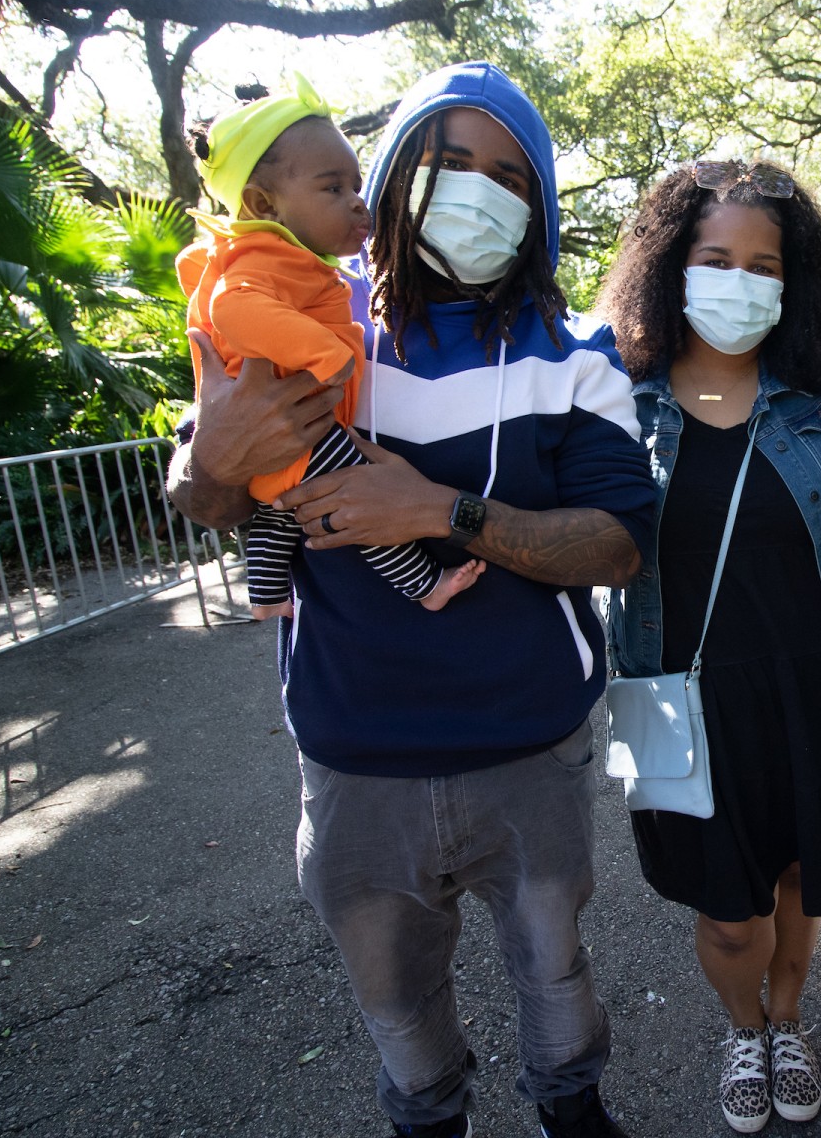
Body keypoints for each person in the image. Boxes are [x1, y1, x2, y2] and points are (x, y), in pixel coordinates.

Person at [167, 61, 656, 1138]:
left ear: (539, 210)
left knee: (555, 969)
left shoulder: (575, 358)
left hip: (531, 751)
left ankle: (574, 1109)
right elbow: (202, 489)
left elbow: (620, 545)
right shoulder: (311, 324)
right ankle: (428, 1120)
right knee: (393, 997)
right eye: (447, 163)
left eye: (508, 175)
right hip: (353, 759)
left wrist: (441, 511)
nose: (476, 192)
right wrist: (213, 460)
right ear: (388, 180)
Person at [598, 159, 821, 1134]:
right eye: (714, 257)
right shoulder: (618, 391)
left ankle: (787, 1021)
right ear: (670, 266)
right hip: (668, 693)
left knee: (794, 878)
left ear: (792, 280)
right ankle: (743, 1023)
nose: (739, 280)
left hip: (816, 678)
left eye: (762, 263)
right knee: (724, 906)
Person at [177, 76, 483, 620]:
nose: (357, 203)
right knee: (360, 494)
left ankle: (268, 596)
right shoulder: (264, 259)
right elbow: (233, 310)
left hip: (287, 426)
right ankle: (424, 583)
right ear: (261, 203)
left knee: (282, 508)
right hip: (290, 418)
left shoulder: (288, 260)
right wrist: (329, 355)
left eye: (357, 184)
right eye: (333, 188)